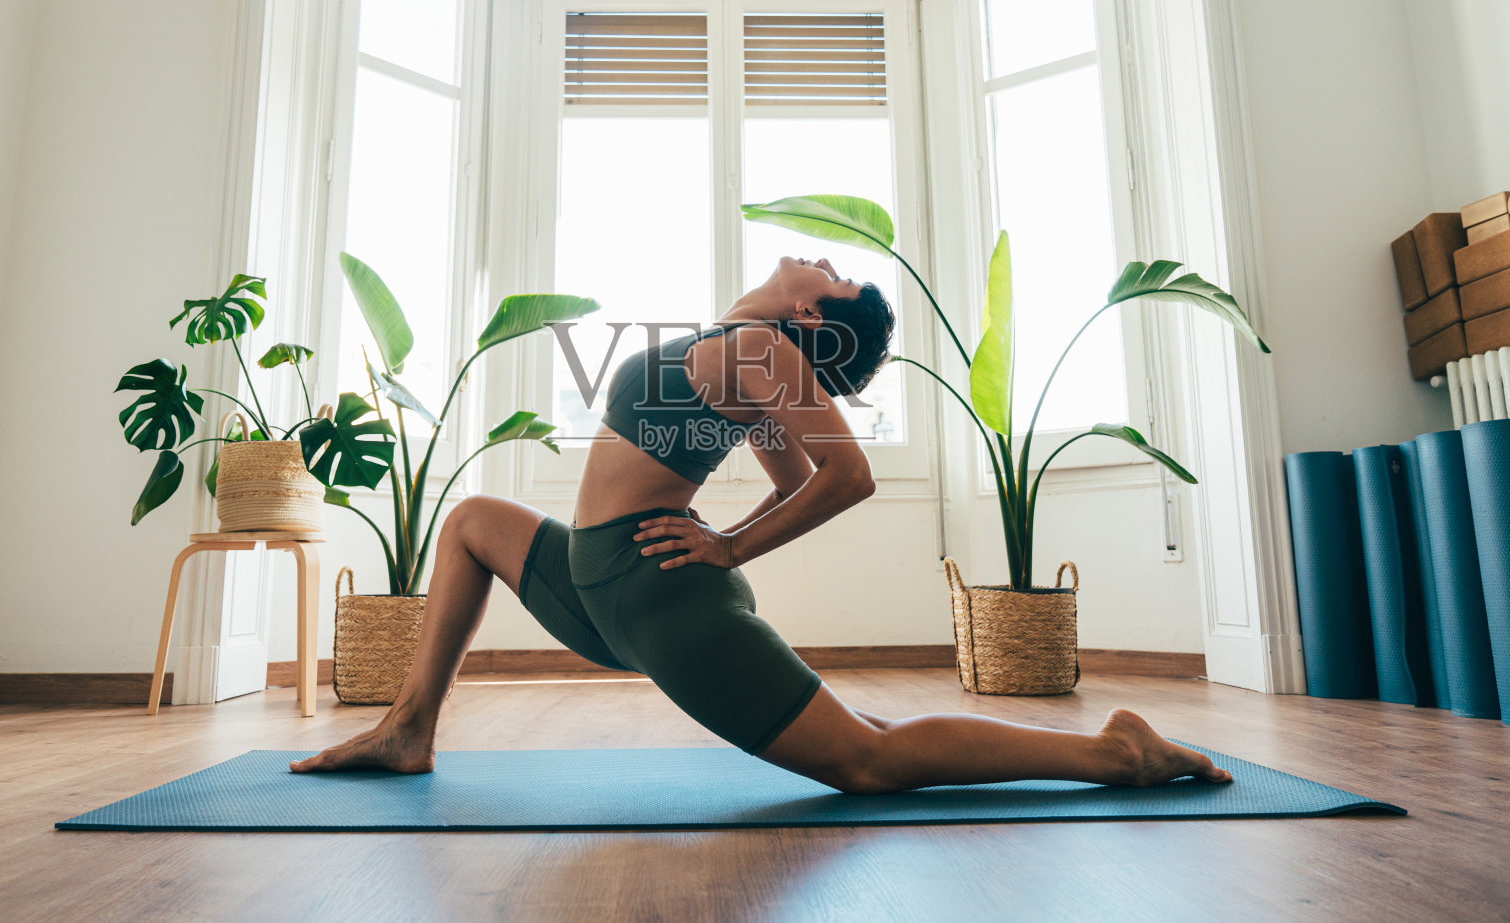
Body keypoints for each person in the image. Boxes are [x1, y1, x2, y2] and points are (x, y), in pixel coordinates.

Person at [291, 256, 1231, 792]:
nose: (812, 258)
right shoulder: (736, 347)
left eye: (831, 271)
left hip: (656, 598)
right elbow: (790, 472)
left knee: (866, 756)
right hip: (601, 579)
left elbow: (847, 474)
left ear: (810, 309)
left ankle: (1115, 752)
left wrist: (729, 544)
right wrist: (718, 522)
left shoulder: (761, 346)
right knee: (469, 523)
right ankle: (409, 728)